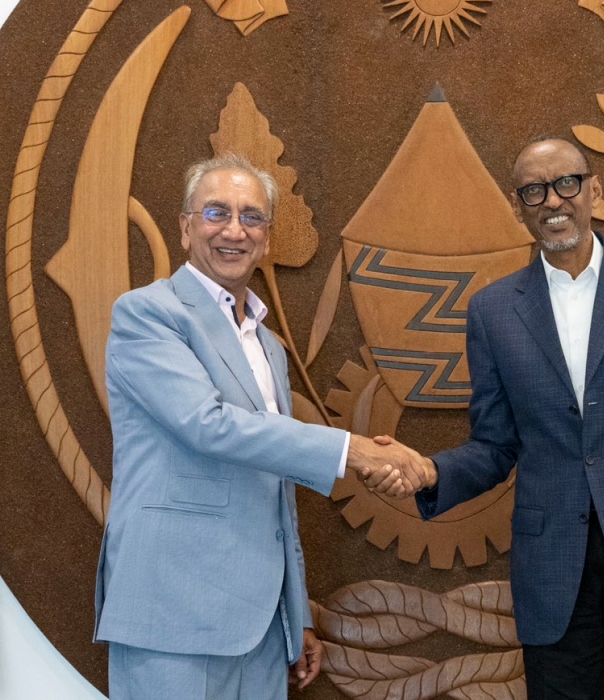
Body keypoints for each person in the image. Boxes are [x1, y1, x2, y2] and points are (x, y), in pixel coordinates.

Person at [363, 138, 604, 699]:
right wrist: (431, 473)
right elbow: (494, 445)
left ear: (594, 190)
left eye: (566, 183)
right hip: (553, 566)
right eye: (534, 190)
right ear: (519, 206)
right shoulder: (493, 312)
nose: (552, 200)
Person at [93, 153, 426, 700]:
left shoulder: (268, 345)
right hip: (174, 615)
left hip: (261, 631)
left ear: (267, 238)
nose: (234, 230)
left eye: (252, 217)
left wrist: (296, 617)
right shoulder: (147, 315)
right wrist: (354, 451)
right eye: (216, 213)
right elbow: (209, 426)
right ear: (184, 227)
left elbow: (275, 495)